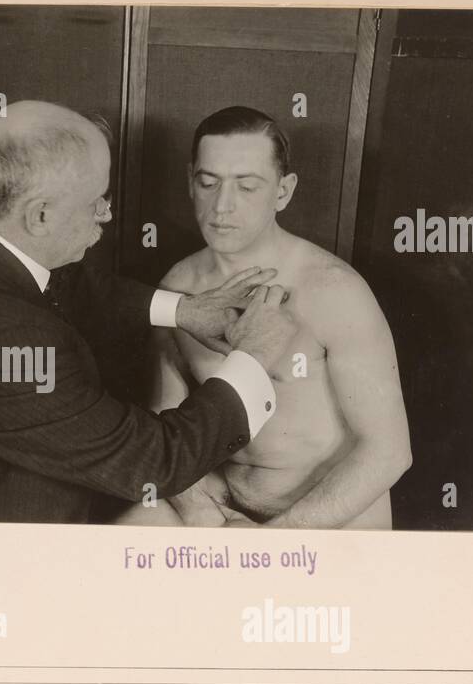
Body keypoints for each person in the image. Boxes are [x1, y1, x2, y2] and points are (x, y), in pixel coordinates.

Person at [0, 100, 297, 522]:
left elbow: (67, 284)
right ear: (40, 216)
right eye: (97, 201)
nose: (107, 214)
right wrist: (253, 354)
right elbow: (153, 462)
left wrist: (184, 310)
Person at [127, 106, 411, 529]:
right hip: (221, 501)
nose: (222, 206)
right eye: (208, 183)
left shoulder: (336, 290)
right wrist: (205, 517)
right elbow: (163, 425)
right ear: (191, 181)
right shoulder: (178, 286)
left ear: (283, 191)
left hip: (324, 509)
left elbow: (389, 451)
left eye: (246, 187)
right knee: (122, 536)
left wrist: (274, 541)